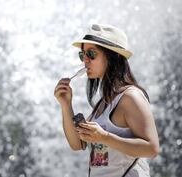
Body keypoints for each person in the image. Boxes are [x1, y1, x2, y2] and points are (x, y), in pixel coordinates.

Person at [54, 24, 159, 177]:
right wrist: (65, 104)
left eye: (91, 54)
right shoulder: (104, 103)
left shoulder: (131, 97)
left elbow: (152, 148)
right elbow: (77, 144)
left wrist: (105, 137)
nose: (85, 60)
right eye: (82, 55)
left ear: (112, 56)